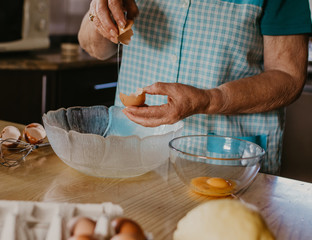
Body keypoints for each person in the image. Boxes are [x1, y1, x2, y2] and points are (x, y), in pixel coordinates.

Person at [78, 0, 312, 175]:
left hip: (225, 162)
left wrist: (210, 99)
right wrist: (99, 13)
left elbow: (289, 76)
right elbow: (94, 48)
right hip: (131, 154)